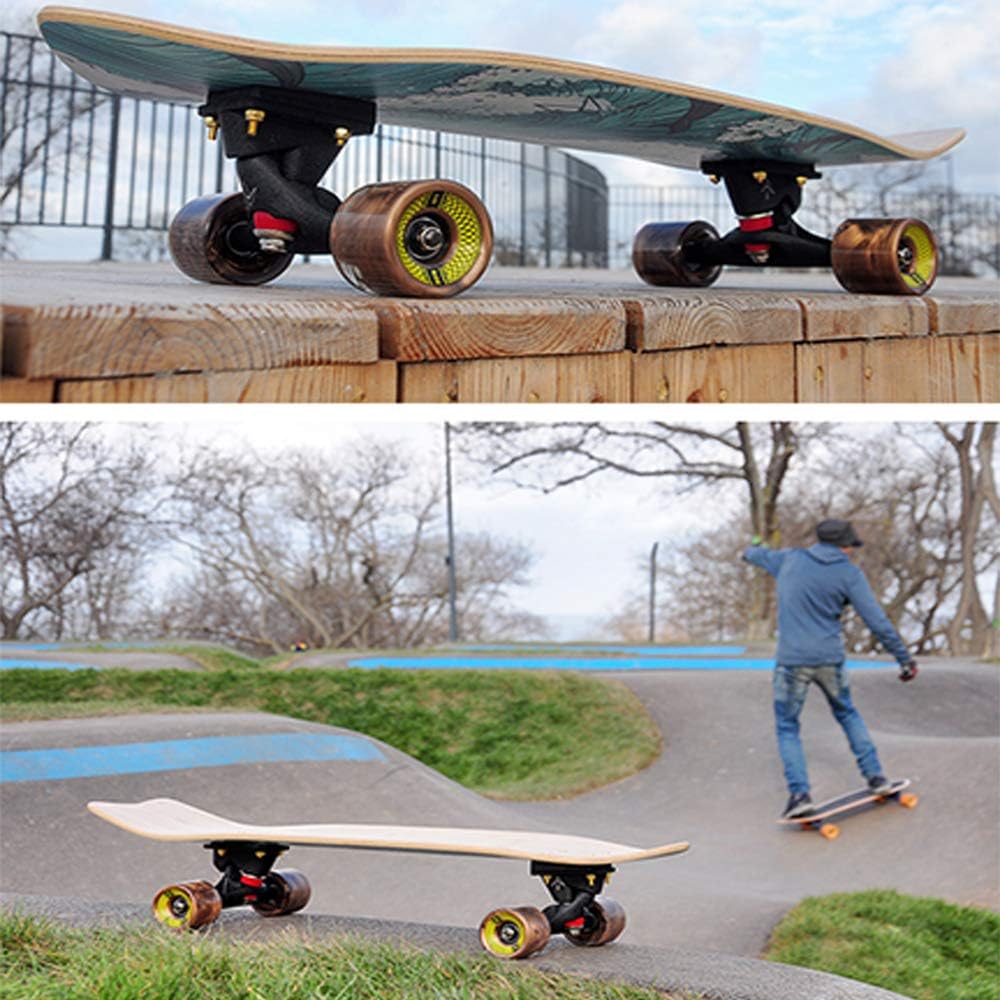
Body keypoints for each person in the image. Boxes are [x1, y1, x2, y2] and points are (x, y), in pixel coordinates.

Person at [743, 519, 918, 819]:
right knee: (847, 713)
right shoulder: (849, 573)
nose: (851, 551)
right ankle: (875, 776)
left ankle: (800, 796)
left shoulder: (789, 559)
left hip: (792, 661)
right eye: (851, 546)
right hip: (829, 659)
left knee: (787, 727)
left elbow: (751, 554)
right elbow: (876, 620)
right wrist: (904, 659)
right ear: (844, 545)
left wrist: (755, 548)